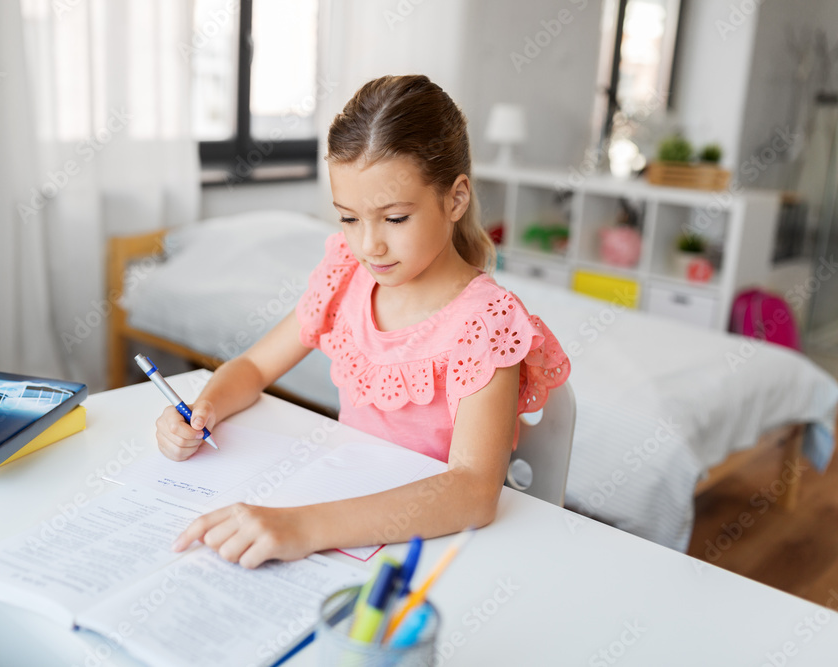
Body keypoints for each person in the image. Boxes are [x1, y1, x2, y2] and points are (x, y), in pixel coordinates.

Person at [160, 74, 570, 568]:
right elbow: (253, 367)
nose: (368, 245)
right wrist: (202, 408)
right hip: (347, 514)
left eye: (394, 219)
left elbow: (473, 492)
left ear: (456, 199)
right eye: (349, 218)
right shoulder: (346, 277)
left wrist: (303, 527)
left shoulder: (486, 322)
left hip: (427, 549)